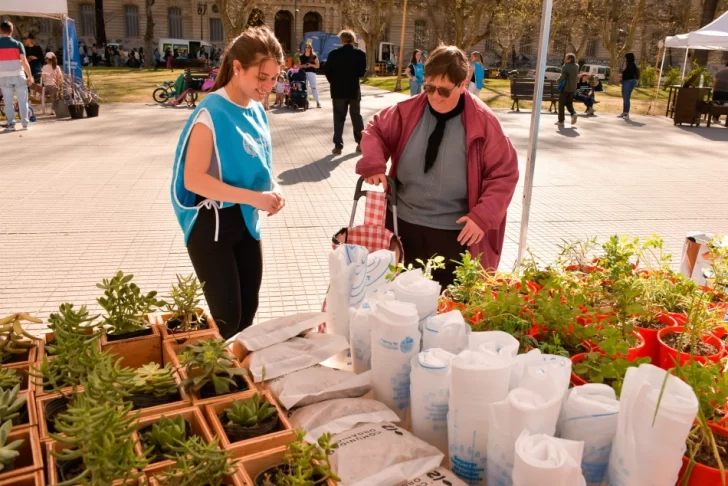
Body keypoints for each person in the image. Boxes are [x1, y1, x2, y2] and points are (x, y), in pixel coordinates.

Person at [355, 45, 519, 286]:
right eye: (429, 88)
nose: (434, 97)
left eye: (443, 91)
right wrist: (373, 162)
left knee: (447, 309)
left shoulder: (485, 123)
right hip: (401, 226)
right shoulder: (408, 110)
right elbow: (376, 129)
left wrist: (483, 217)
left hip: (456, 235)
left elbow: (504, 174)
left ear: (463, 84)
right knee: (397, 301)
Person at [171, 26, 286, 339]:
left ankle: (237, 383)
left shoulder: (257, 109)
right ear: (237, 68)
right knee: (228, 320)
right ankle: (208, 379)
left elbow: (261, 167)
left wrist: (274, 189)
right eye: (262, 77)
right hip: (212, 225)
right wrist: (253, 198)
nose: (268, 86)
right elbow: (193, 180)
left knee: (247, 314)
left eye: (274, 78)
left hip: (246, 221)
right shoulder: (211, 112)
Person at [323, 30, 367, 155]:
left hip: (338, 90)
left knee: (338, 118)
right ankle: (360, 143)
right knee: (356, 117)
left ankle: (338, 146)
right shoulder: (360, 54)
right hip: (353, 90)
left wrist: (333, 81)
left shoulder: (334, 54)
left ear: (341, 40)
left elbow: (327, 70)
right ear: (353, 40)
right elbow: (361, 73)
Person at [0, 21, 33, 132]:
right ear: (12, 31)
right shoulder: (18, 44)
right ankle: (25, 124)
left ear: (0, 30)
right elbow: (24, 61)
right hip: (19, 75)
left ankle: (11, 124)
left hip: (4, 77)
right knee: (23, 101)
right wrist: (30, 76)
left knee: (8, 102)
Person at [556, 52, 579, 127]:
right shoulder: (576, 66)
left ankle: (561, 121)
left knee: (561, 105)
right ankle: (573, 113)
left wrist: (558, 81)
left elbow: (562, 77)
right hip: (572, 89)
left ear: (569, 59)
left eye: (566, 58)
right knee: (569, 103)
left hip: (565, 88)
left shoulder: (565, 66)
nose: (564, 59)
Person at [619, 52, 639, 120]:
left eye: (626, 58)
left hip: (629, 82)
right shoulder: (629, 65)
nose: (625, 59)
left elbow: (629, 75)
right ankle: (624, 112)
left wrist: (623, 77)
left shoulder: (631, 65)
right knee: (625, 97)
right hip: (626, 82)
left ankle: (626, 113)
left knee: (626, 97)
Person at [300, 44, 320, 108]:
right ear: (304, 48)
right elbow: (298, 66)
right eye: (306, 47)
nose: (307, 48)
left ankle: (317, 101)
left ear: (311, 48)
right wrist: (304, 66)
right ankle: (306, 101)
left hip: (312, 73)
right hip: (303, 73)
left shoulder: (314, 56)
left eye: (309, 47)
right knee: (305, 88)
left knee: (313, 87)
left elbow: (317, 66)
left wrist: (311, 65)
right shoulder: (301, 56)